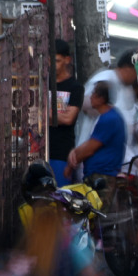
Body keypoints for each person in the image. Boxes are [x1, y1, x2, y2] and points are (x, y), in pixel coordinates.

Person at [76, 51, 138, 176]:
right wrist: (102, 111)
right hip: (97, 161)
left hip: (118, 162)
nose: (136, 78)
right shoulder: (106, 78)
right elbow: (85, 102)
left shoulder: (127, 89)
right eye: (136, 73)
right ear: (128, 69)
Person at [68, 82, 126, 184]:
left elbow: (90, 149)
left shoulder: (109, 119)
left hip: (101, 175)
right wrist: (76, 151)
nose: (90, 97)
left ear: (102, 99)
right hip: (98, 173)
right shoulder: (105, 117)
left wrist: (71, 165)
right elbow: (93, 140)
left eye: (94, 93)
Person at [48, 40, 84, 187]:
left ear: (67, 60)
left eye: (56, 61)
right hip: (36, 149)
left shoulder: (75, 87)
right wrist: (55, 117)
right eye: (49, 60)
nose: (52, 64)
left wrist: (43, 112)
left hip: (60, 151)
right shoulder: (42, 82)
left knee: (60, 195)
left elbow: (69, 119)